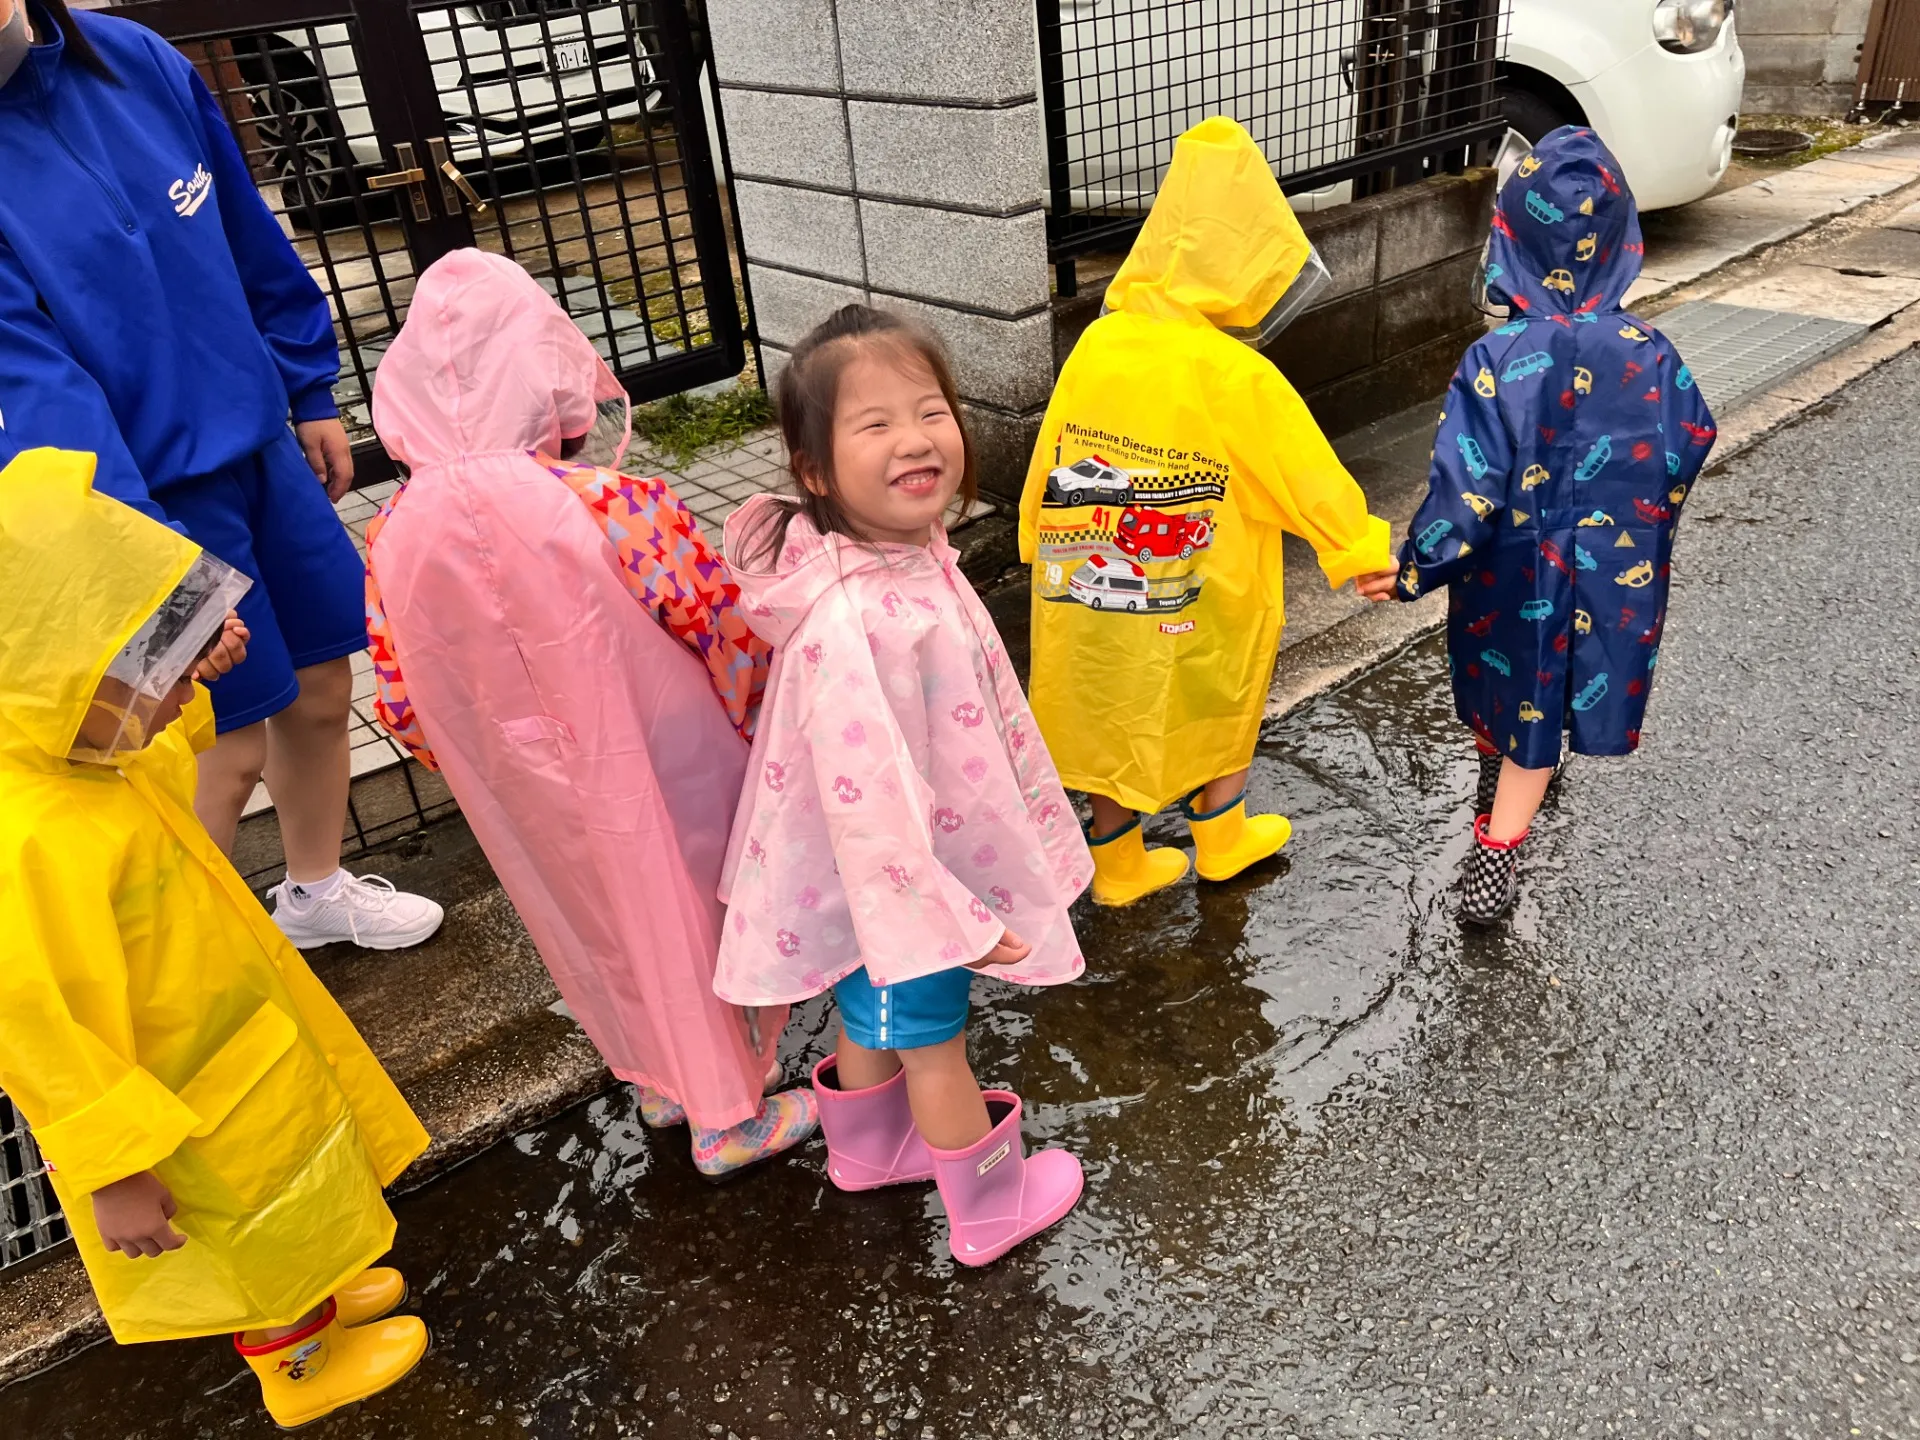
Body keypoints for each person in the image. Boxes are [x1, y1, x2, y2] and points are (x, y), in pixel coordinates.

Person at [0, 449, 432, 1429]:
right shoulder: (23, 837)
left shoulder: (74, 746)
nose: (161, 698)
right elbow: (38, 1034)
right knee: (245, 1226)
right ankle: (300, 1363)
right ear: (63, 674)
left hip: (227, 1044)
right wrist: (113, 1170)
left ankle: (315, 1293)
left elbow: (154, 743)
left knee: (288, 1185)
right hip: (170, 1098)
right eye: (144, 671)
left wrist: (188, 677)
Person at [363, 249, 816, 1178]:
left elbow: (400, 695)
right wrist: (756, 710)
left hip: (521, 784)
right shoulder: (607, 503)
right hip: (656, 752)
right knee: (685, 903)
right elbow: (714, 616)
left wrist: (476, 759)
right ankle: (727, 1116)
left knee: (593, 916)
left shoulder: (393, 533)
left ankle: (658, 1077)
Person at [0, 0, 441, 949]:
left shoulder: (134, 58)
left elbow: (245, 229)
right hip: (134, 507)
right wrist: (140, 570)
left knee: (322, 688)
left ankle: (315, 895)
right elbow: (39, 393)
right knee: (210, 745)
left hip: (258, 451)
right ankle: (184, 972)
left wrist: (309, 386)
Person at [716, 305, 1094, 1266]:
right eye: (872, 424)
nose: (916, 439)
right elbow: (870, 808)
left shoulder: (900, 555)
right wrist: (953, 914)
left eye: (930, 411)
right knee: (932, 1041)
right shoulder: (857, 620)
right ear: (815, 469)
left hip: (874, 882)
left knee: (874, 1012)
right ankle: (990, 1205)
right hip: (899, 884)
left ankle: (871, 1148)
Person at [1018, 116, 1400, 908]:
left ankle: (1118, 863)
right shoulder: (1234, 373)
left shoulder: (1100, 342)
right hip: (1201, 584)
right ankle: (1221, 838)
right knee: (1218, 692)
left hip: (1086, 571)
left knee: (1097, 702)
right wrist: (1357, 547)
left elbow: (1054, 444)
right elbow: (1304, 469)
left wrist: (1032, 532)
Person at [1357, 126, 1717, 924]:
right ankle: (1505, 817)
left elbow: (1466, 494)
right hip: (1612, 572)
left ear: (1509, 242)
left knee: (1509, 691)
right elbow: (1691, 440)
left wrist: (1416, 566)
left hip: (1512, 572)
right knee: (1558, 699)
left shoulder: (1497, 358)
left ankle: (1493, 854)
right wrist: (1641, 513)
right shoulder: (1651, 353)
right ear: (1623, 242)